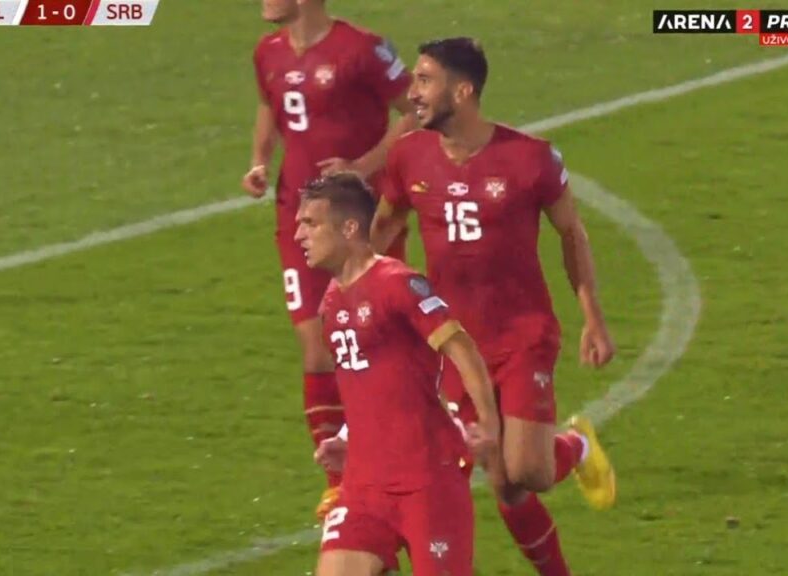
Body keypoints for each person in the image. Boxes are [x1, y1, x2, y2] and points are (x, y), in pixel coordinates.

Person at [369, 38, 618, 576]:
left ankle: (571, 446)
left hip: (521, 334)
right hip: (455, 344)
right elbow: (387, 224)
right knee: (499, 478)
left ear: (464, 91)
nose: (412, 93)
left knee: (527, 470)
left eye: (425, 81)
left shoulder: (530, 159)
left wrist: (592, 317)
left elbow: (570, 233)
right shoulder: (409, 155)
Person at [245, 0, 418, 518]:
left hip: (361, 218)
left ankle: (410, 451)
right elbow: (268, 107)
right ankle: (339, 480)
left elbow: (414, 110)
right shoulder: (267, 52)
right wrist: (259, 161)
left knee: (380, 342)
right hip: (298, 218)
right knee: (317, 346)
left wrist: (362, 167)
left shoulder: (364, 49)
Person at [294, 172, 500, 576]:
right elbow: (369, 385)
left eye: (311, 223)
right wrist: (345, 439)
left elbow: (460, 346)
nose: (299, 234)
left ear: (350, 227)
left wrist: (489, 420)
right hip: (364, 486)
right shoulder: (332, 302)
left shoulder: (397, 284)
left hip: (428, 481)